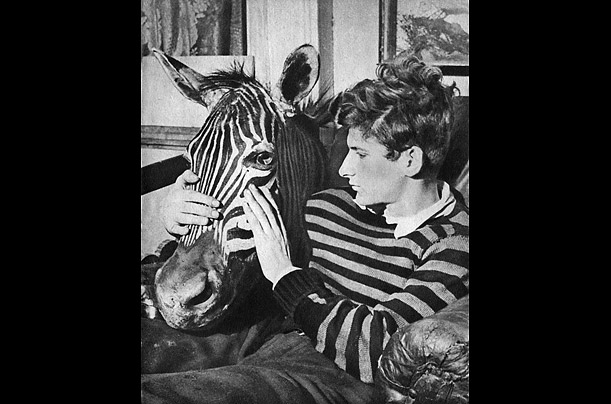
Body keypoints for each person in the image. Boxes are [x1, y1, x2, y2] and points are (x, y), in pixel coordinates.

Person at [149, 55, 469, 403]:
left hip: (335, 375)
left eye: (360, 154)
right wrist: (177, 213)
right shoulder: (327, 204)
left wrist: (284, 274)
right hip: (270, 340)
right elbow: (234, 230)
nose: (344, 169)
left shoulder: (453, 243)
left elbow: (379, 350)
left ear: (410, 160)